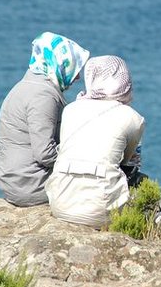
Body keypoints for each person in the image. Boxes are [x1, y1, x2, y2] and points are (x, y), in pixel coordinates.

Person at [46, 55, 146, 228]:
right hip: (102, 211)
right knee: (142, 183)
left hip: (60, 203)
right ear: (124, 81)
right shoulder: (133, 118)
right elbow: (127, 161)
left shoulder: (70, 109)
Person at [0, 32, 90, 206]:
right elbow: (44, 153)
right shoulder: (43, 96)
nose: (77, 77)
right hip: (30, 186)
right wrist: (79, 159)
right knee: (98, 181)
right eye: (73, 68)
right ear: (58, 64)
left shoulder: (25, 86)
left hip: (14, 180)